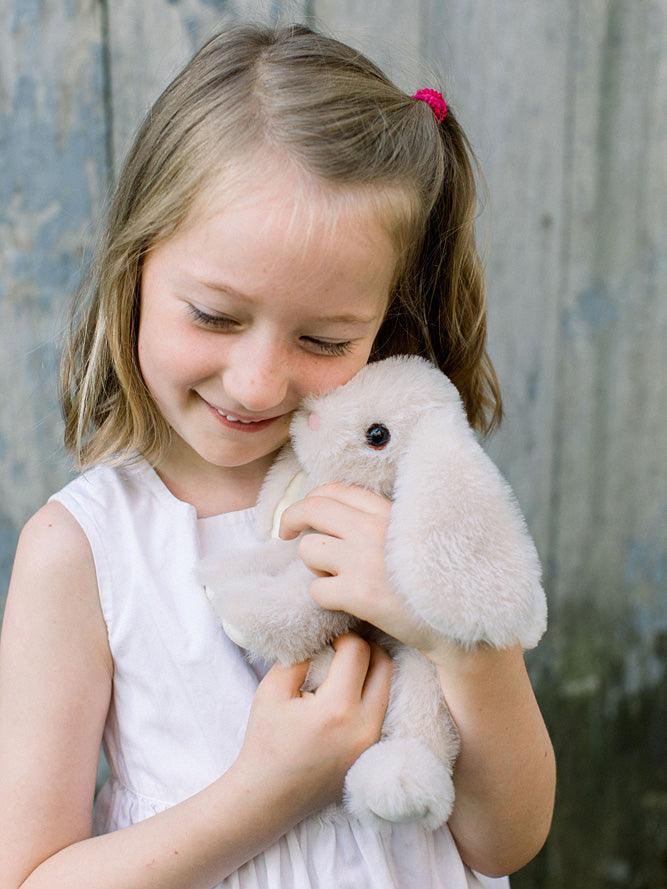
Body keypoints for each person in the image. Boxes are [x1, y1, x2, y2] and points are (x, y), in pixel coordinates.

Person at [0, 23, 555, 889]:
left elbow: (504, 841)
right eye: (214, 316)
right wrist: (269, 789)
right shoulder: (82, 551)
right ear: (134, 267)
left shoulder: (412, 498)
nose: (258, 383)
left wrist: (455, 641)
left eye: (323, 338)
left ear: (385, 320)